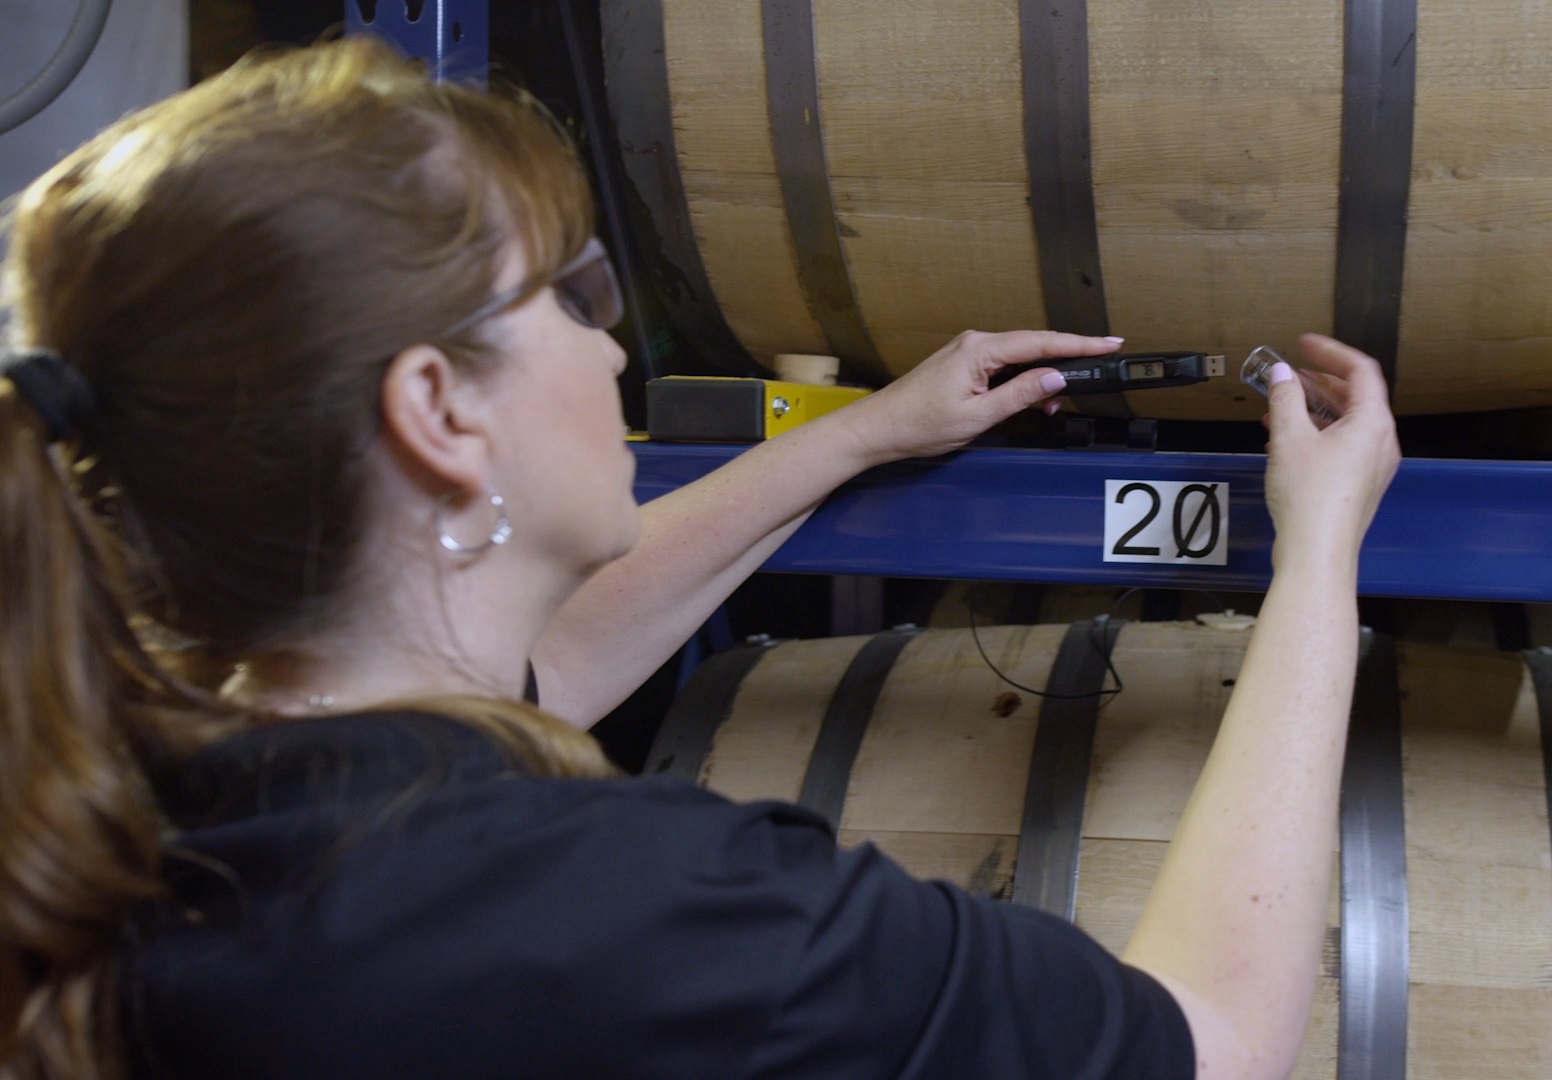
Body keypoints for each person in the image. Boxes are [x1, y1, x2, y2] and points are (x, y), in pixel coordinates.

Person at [0, 37, 1399, 1080]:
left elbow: (525, 677)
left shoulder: (132, 827)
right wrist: (1319, 557)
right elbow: (1210, 1041)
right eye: (572, 291)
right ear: (436, 409)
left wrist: (854, 439)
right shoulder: (663, 915)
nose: (613, 345)